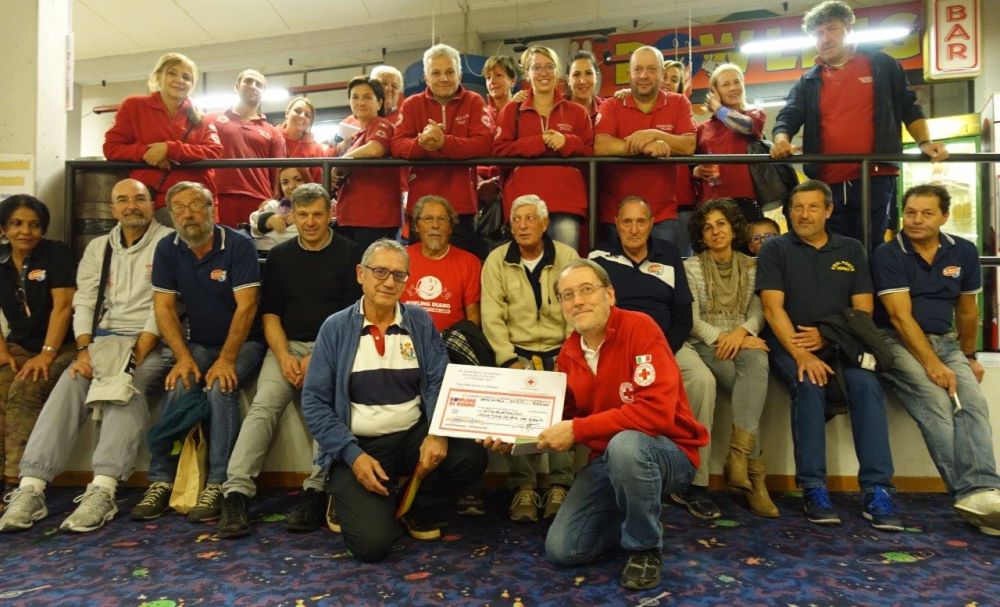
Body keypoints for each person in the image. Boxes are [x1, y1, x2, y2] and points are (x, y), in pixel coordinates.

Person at [505, 258, 708, 590]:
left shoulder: (640, 327)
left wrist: (577, 430)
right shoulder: (569, 352)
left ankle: (645, 548)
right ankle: (635, 509)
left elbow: (655, 414)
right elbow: (562, 417)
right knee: (563, 550)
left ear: (610, 295)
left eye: (587, 290)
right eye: (567, 295)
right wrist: (512, 437)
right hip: (608, 462)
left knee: (626, 445)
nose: (577, 300)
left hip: (670, 452)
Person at [0, 179, 172, 533]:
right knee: (71, 380)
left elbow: (165, 304)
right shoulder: (98, 248)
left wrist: (136, 352)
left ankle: (104, 489)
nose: (131, 206)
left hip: (153, 340)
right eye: (122, 200)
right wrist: (82, 349)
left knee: (126, 386)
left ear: (151, 204)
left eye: (139, 198)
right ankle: (31, 486)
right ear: (112, 209)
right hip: (103, 341)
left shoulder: (168, 243)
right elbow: (85, 301)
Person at [301, 239, 488, 563]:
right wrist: (352, 455)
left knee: (470, 456)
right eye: (380, 272)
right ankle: (348, 493)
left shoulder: (419, 321)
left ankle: (415, 503)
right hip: (360, 446)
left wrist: (437, 432)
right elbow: (315, 403)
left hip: (411, 437)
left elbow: (438, 381)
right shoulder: (335, 328)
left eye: (399, 275)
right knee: (372, 547)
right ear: (360, 274)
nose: (389, 281)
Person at [217, 183, 363, 538]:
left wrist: (316, 357)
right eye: (303, 215)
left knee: (325, 408)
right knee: (263, 406)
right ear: (292, 216)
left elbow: (351, 316)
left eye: (317, 214)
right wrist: (283, 356)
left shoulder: (349, 254)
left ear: (330, 213)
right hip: (285, 346)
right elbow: (270, 316)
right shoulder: (280, 257)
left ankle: (315, 488)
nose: (310, 222)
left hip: (332, 348)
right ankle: (235, 492)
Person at [756, 179, 903, 530]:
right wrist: (801, 354)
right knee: (810, 384)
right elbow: (773, 309)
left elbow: (863, 310)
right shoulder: (776, 249)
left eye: (812, 207)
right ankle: (813, 488)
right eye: (797, 207)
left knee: (867, 386)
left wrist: (826, 335)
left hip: (843, 343)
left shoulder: (851, 250)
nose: (804, 214)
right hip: (789, 342)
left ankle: (877, 489)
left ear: (828, 210)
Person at [131, 181, 267, 523]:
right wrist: (183, 357)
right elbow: (163, 308)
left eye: (196, 205)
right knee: (179, 383)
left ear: (213, 210)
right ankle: (162, 479)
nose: (188, 214)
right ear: (172, 215)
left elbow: (247, 307)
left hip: (246, 342)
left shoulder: (238, 245)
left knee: (221, 387)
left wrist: (227, 359)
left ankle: (218, 483)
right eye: (179, 208)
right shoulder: (167, 248)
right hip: (200, 343)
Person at [872, 184, 1000, 536]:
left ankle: (986, 492)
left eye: (927, 213)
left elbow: (968, 309)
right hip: (897, 342)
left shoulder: (964, 251)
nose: (916, 220)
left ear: (944, 216)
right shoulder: (888, 254)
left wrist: (970, 356)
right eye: (910, 212)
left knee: (972, 404)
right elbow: (900, 318)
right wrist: (931, 364)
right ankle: (971, 497)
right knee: (935, 404)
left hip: (947, 342)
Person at [770, 0, 948, 248]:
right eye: (818, 33)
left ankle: (871, 288)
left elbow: (909, 106)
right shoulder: (809, 79)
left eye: (831, 28)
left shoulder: (882, 65)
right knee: (833, 248)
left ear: (849, 28)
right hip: (828, 180)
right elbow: (788, 116)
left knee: (871, 245)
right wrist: (781, 139)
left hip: (875, 174)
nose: (825, 38)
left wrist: (925, 142)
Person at [589, 196, 720, 520]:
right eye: (626, 222)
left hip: (665, 345)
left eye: (641, 221)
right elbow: (594, 312)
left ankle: (693, 483)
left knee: (702, 380)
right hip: (616, 346)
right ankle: (605, 477)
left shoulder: (670, 254)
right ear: (617, 224)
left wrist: (661, 353)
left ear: (651, 224)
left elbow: (682, 315)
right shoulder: (598, 257)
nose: (634, 229)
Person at [481, 195, 578, 522]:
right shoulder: (496, 260)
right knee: (521, 417)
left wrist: (569, 356)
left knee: (566, 412)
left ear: (545, 224)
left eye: (529, 219)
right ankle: (523, 486)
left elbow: (576, 310)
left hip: (562, 351)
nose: (522, 226)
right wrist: (508, 360)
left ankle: (560, 485)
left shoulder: (567, 257)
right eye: (516, 220)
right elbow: (491, 316)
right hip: (517, 354)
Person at [683, 199, 778, 517]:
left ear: (733, 228)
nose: (715, 231)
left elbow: (758, 309)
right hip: (707, 345)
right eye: (707, 227)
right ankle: (755, 479)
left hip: (741, 341)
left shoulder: (753, 266)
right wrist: (723, 338)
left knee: (757, 361)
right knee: (748, 391)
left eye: (721, 224)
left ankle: (739, 459)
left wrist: (742, 334)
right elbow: (692, 319)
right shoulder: (691, 267)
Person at [0, 196, 76, 496]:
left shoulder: (56, 254)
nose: (25, 232)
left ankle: (17, 482)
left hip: (63, 346)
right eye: (17, 224)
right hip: (19, 345)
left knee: (26, 389)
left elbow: (64, 307)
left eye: (34, 225)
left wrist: (46, 354)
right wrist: (3, 352)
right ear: (4, 228)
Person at [391, 43, 493, 249]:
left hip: (461, 205)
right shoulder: (412, 104)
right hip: (421, 206)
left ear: (460, 74)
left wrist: (444, 143)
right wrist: (421, 143)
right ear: (426, 77)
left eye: (449, 72)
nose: (443, 78)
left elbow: (484, 144)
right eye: (436, 73)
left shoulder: (474, 101)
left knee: (462, 267)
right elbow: (397, 145)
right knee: (418, 270)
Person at [103, 52, 222, 226]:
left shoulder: (202, 118)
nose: (179, 80)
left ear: (192, 85)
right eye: (172, 73)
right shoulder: (133, 106)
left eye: (186, 77)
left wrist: (170, 149)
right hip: (155, 201)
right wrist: (146, 153)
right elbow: (111, 148)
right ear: (159, 76)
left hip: (196, 202)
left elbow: (214, 151)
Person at [493, 46, 594, 250]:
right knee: (526, 276)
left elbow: (591, 153)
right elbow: (498, 152)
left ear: (558, 72)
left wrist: (567, 142)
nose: (543, 72)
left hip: (565, 205)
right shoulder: (512, 110)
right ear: (527, 74)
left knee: (566, 273)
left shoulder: (577, 112)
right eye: (536, 67)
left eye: (549, 66)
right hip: (523, 207)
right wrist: (538, 142)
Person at [594, 46, 696, 244]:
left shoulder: (680, 102)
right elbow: (601, 145)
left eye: (651, 69)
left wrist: (655, 135)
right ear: (629, 74)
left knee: (663, 275)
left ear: (662, 73)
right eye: (638, 69)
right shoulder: (611, 104)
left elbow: (689, 145)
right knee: (615, 276)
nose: (643, 75)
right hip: (615, 215)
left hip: (662, 215)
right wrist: (644, 147)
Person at [330, 76, 401, 250]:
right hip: (349, 217)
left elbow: (375, 149)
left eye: (367, 97)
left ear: (379, 103)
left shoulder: (382, 125)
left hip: (374, 220)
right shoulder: (355, 137)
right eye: (355, 97)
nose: (361, 102)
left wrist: (339, 162)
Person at [210, 68, 287, 227]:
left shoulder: (272, 132)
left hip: (259, 202)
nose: (253, 86)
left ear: (263, 93)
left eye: (259, 84)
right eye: (248, 81)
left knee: (255, 251)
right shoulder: (212, 120)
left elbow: (279, 177)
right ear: (236, 86)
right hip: (219, 198)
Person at [693, 63, 767, 223]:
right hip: (711, 202)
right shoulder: (702, 129)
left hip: (746, 200)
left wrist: (718, 108)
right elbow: (690, 165)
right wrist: (696, 171)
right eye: (726, 84)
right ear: (715, 91)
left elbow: (745, 126)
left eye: (737, 82)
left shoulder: (755, 115)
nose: (733, 88)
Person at [402, 195, 482, 332]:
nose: (435, 225)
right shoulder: (399, 258)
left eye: (442, 219)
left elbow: (473, 318)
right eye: (428, 219)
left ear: (451, 227)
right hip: (404, 339)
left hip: (449, 344)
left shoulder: (469, 262)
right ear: (416, 226)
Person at [249, 166, 311, 248]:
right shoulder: (274, 205)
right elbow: (254, 223)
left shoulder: (320, 206)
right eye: (285, 183)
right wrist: (268, 220)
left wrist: (301, 216)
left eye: (298, 180)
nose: (291, 186)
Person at [279, 96, 326, 183]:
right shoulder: (271, 138)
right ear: (287, 113)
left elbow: (319, 184)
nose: (302, 116)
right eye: (297, 111)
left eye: (307, 115)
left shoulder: (316, 149)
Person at [566, 50, 605, 124]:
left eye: (588, 73)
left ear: (596, 77)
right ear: (568, 80)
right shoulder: (557, 109)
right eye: (576, 75)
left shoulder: (607, 108)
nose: (583, 81)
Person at [482, 54, 519, 125]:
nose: (492, 81)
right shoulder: (482, 114)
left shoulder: (522, 111)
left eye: (498, 75)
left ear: (513, 81)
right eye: (488, 77)